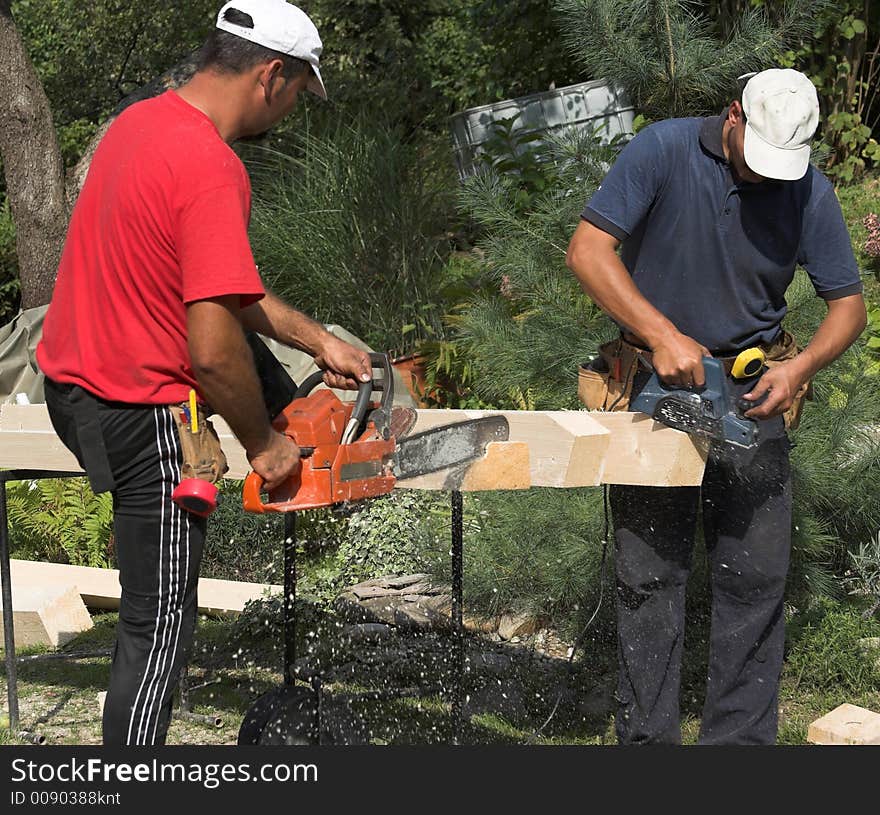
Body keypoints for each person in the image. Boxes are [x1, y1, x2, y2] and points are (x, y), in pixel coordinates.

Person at [36, 1, 371, 746]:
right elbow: (213, 350)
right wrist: (263, 447)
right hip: (140, 408)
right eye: (294, 94)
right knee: (158, 623)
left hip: (74, 387)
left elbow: (222, 287)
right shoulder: (213, 165)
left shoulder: (139, 124)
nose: (290, 110)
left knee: (247, 359)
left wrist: (320, 340)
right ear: (270, 75)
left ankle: (298, 424)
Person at [566, 68, 867, 744]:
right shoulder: (663, 151)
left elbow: (849, 307)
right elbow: (587, 251)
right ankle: (647, 744)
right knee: (648, 577)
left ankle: (738, 747)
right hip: (652, 391)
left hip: (754, 398)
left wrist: (802, 367)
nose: (767, 178)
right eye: (759, 159)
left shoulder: (806, 188)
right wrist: (659, 332)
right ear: (733, 114)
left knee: (755, 582)